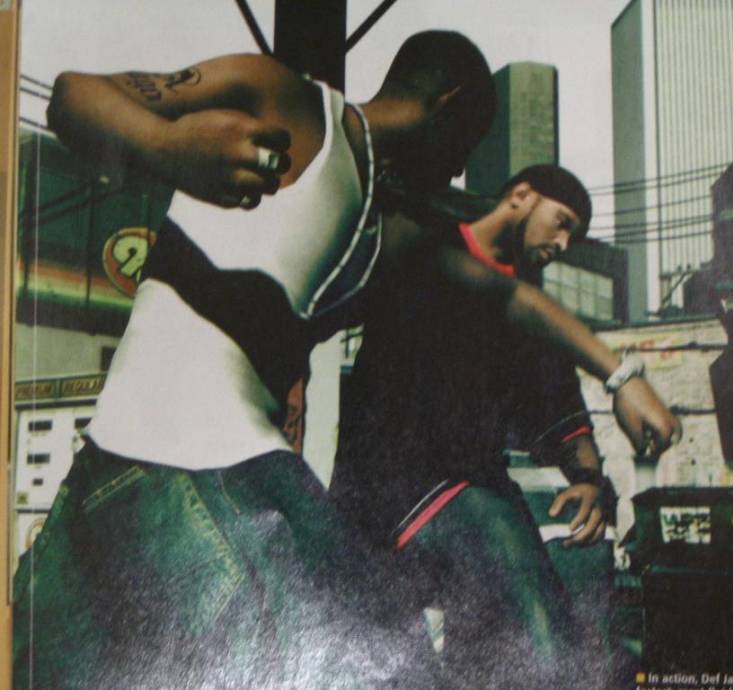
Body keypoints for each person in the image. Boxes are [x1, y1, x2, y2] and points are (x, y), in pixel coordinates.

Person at [13, 32, 496, 690]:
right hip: (198, 471)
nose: (456, 171)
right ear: (450, 103)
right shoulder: (294, 103)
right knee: (390, 662)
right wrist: (167, 147)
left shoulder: (372, 229)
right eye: (465, 147)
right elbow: (75, 94)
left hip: (123, 472)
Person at [329, 165, 681, 687]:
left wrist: (588, 479)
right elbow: (504, 302)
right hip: (390, 480)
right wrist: (623, 377)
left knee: (568, 583)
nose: (563, 244)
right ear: (521, 195)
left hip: (474, 482)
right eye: (561, 223)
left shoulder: (531, 300)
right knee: (535, 632)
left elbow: (558, 401)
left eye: (573, 236)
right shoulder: (428, 245)